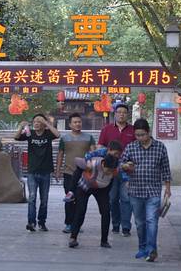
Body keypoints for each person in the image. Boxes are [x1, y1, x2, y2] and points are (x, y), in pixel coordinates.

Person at [120, 118, 171, 262]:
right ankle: (142, 247)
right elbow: (121, 164)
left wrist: (167, 188)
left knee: (152, 220)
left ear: (148, 132)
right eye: (137, 135)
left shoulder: (160, 147)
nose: (140, 138)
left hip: (153, 191)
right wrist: (125, 166)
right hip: (135, 191)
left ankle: (151, 249)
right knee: (139, 222)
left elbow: (166, 169)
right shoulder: (131, 147)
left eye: (142, 135)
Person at [14, 113, 60, 232]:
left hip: (46, 171)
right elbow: (16, 137)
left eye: (39, 121)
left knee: (44, 199)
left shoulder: (48, 134)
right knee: (32, 197)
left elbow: (58, 134)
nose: (36, 123)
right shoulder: (30, 134)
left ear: (43, 123)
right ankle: (31, 222)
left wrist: (47, 123)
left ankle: (42, 222)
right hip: (32, 172)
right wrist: (21, 126)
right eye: (35, 121)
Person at [55, 113, 95, 233]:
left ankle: (77, 224)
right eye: (75, 122)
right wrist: (58, 170)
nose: (78, 124)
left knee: (81, 201)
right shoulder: (64, 138)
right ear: (70, 124)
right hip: (69, 173)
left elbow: (94, 154)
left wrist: (93, 169)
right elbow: (60, 155)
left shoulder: (89, 138)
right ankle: (68, 223)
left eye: (79, 122)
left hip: (84, 174)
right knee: (69, 198)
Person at [98, 103, 135, 236]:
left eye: (124, 112)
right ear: (115, 114)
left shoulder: (133, 130)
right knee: (112, 198)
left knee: (126, 199)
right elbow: (100, 147)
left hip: (127, 171)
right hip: (111, 171)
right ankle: (115, 224)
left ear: (127, 114)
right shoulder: (107, 129)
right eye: (119, 112)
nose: (121, 114)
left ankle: (126, 227)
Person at [67, 154, 118, 249]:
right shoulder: (94, 163)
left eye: (112, 170)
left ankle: (104, 240)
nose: (109, 172)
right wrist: (72, 190)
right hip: (85, 187)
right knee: (80, 210)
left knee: (106, 211)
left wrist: (106, 198)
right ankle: (73, 238)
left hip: (101, 189)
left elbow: (110, 184)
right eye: (108, 170)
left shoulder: (114, 170)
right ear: (103, 164)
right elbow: (77, 162)